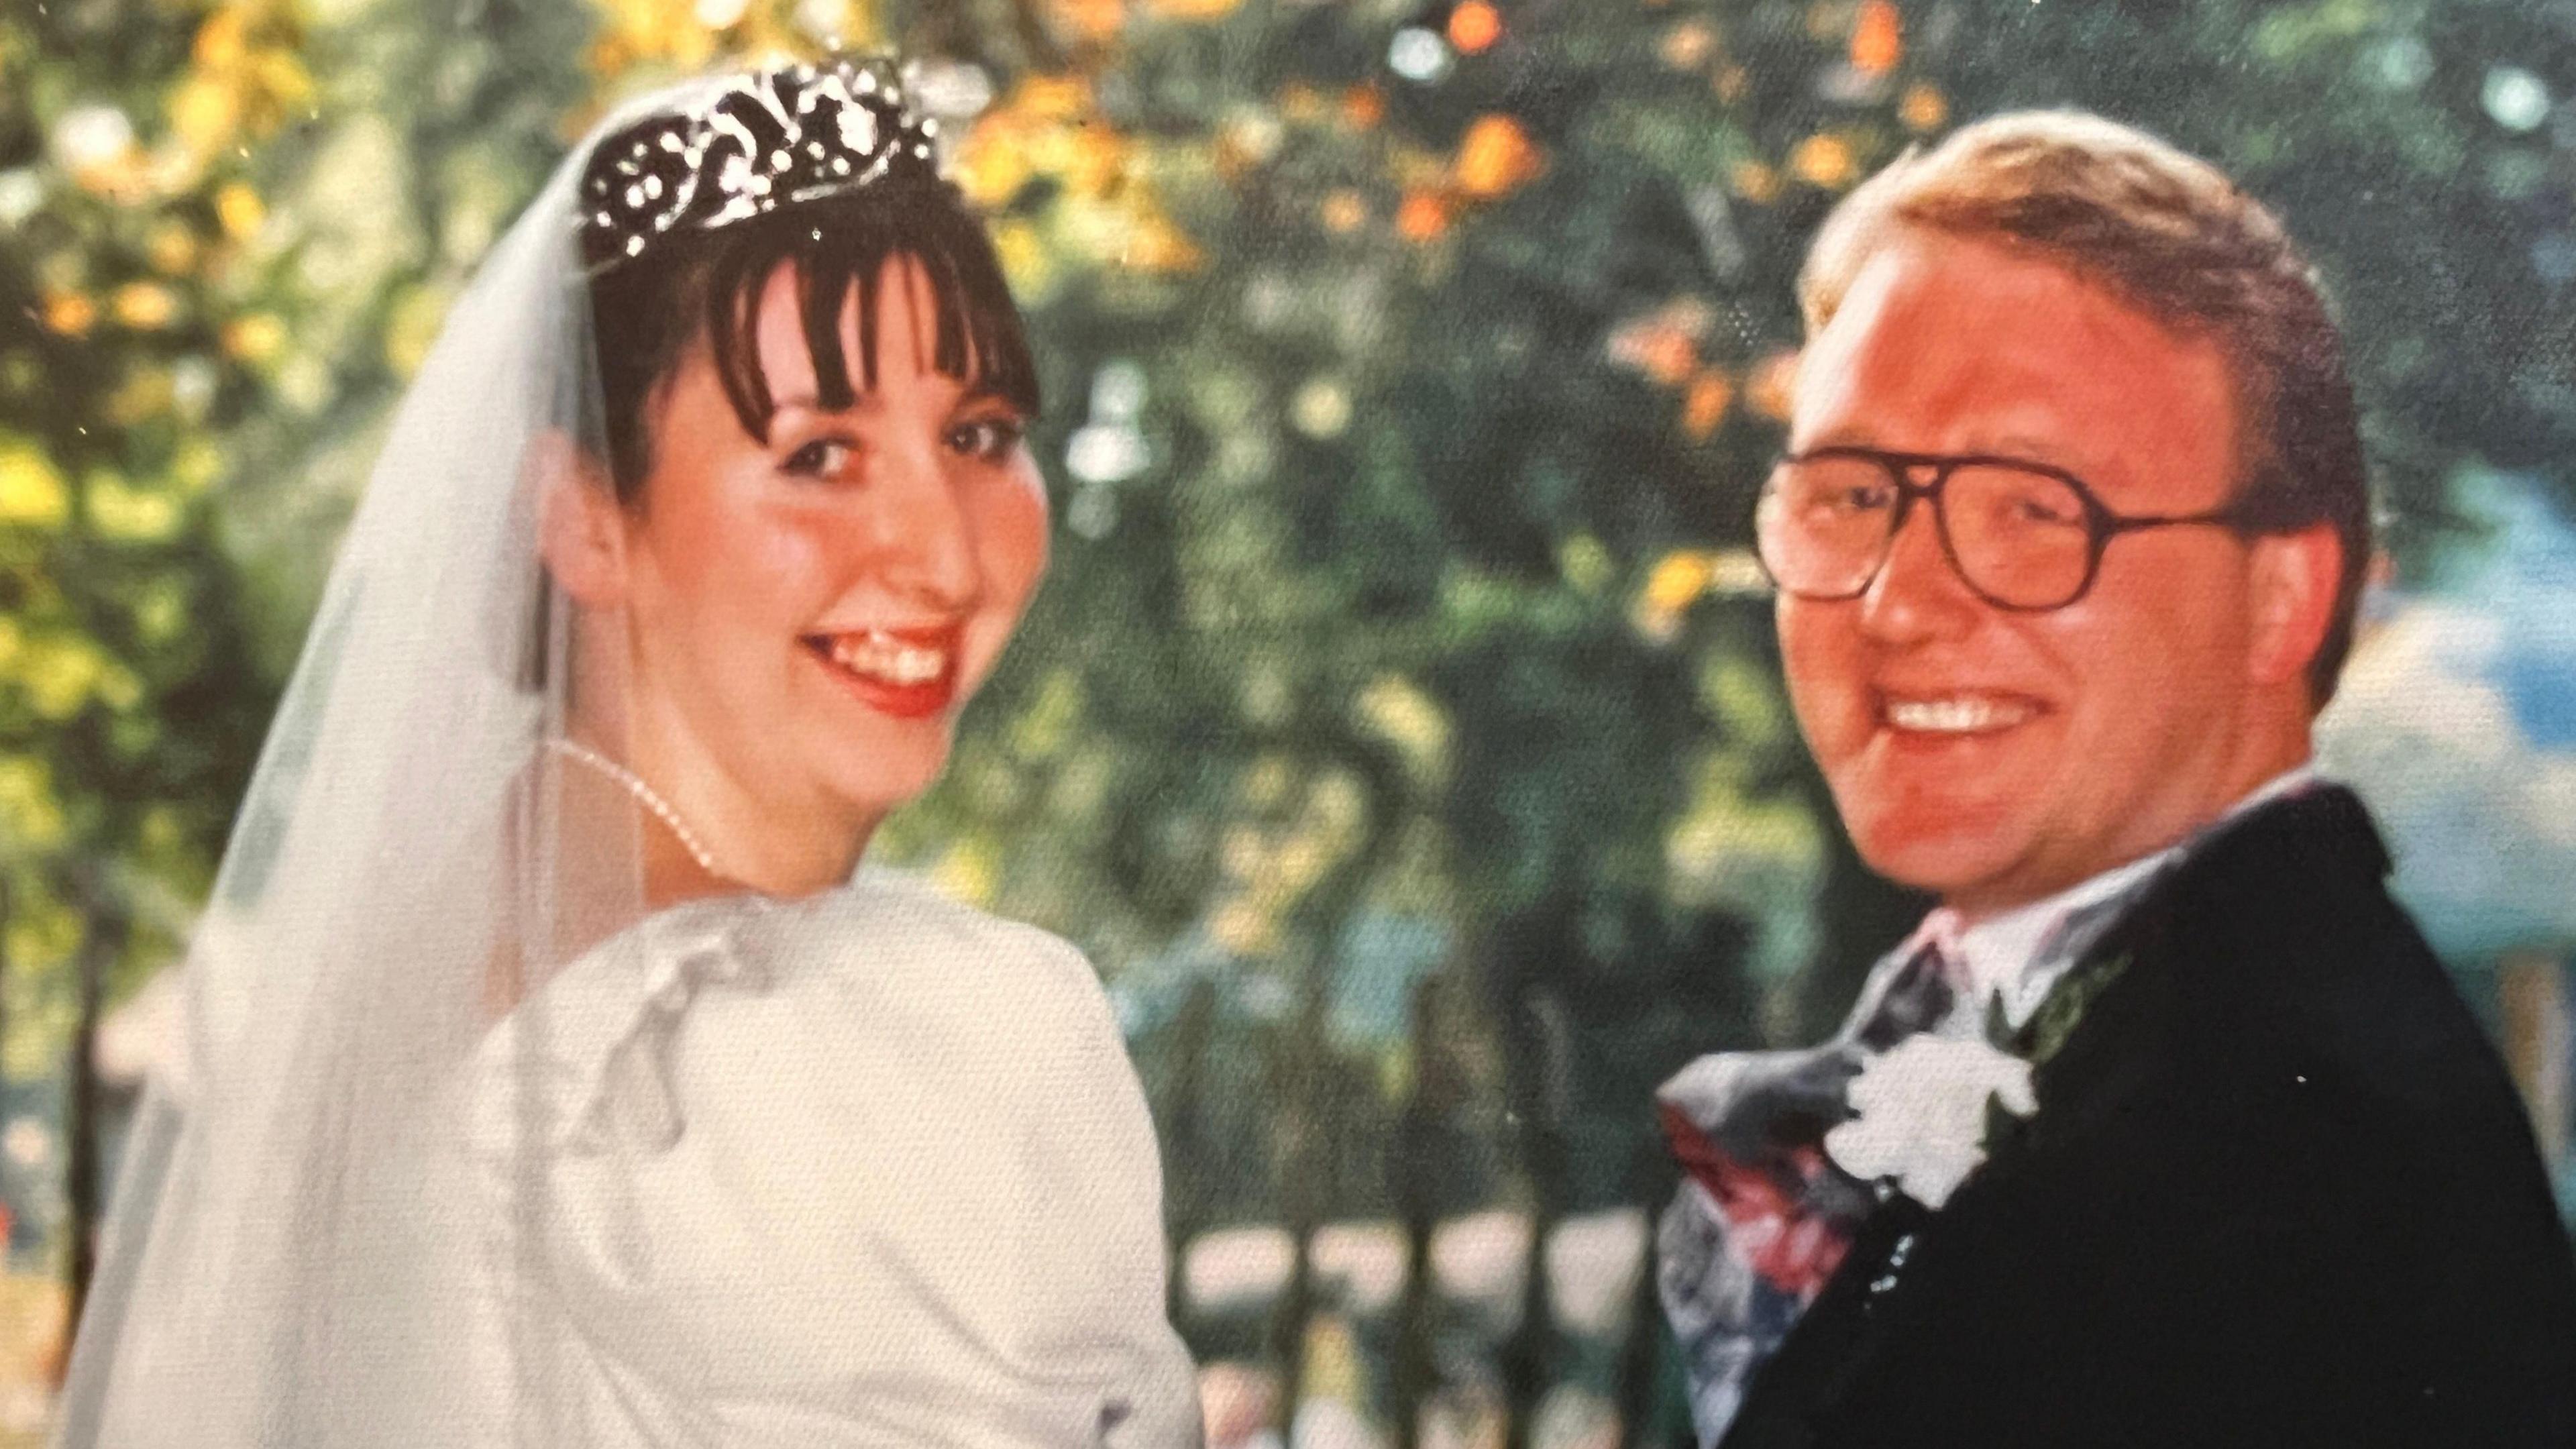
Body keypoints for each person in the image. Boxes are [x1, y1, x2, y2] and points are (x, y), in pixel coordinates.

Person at [55, 56, 1201, 1447]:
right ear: (585, 518)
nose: (945, 555)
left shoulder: (384, 993)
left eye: (979, 435)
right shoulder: (885, 1057)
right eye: (820, 455)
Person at [1656, 111, 2576, 1447]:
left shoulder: (2283, 1159)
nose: (1899, 601)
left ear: (2284, 601)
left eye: (2032, 511)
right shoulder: (2142, 1035)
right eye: (1852, 496)